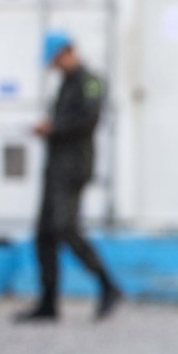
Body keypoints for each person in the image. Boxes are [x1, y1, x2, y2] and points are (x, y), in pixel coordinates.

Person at [15, 31, 121, 322]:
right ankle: (48, 303)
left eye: (56, 60)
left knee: (65, 228)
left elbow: (88, 119)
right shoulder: (65, 84)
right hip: (55, 167)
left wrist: (53, 128)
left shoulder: (90, 82)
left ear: (68, 52)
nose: (55, 66)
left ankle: (108, 285)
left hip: (73, 168)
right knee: (44, 235)